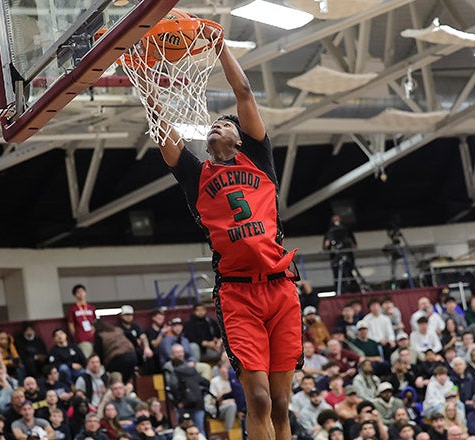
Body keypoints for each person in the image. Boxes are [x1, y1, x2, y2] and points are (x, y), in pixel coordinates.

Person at [147, 25, 303, 439]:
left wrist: (218, 46)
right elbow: (163, 130)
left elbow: (244, 93)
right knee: (259, 400)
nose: (216, 126)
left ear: (239, 136)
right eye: (212, 125)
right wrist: (146, 84)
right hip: (237, 293)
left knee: (283, 403)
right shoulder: (195, 175)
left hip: (281, 286)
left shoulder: (258, 158)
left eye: (224, 123)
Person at [92, 320, 137, 384]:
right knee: (128, 379)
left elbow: (99, 353)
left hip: (117, 358)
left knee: (115, 380)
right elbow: (131, 336)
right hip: (132, 356)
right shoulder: (118, 330)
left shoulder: (99, 336)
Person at [323, 213, 358, 293]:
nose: (336, 221)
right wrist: (328, 243)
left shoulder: (347, 231)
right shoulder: (329, 233)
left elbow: (354, 245)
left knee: (349, 273)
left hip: (348, 257)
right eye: (334, 220)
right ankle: (339, 291)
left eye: (337, 219)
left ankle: (353, 289)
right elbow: (325, 247)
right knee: (337, 276)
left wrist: (348, 242)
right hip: (335, 258)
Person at [117, 305, 153, 370]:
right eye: (126, 315)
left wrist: (147, 347)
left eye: (130, 315)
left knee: (148, 356)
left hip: (137, 351)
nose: (128, 317)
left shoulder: (136, 326)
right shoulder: (118, 328)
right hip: (125, 352)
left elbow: (143, 336)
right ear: (121, 316)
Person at [67, 284, 96, 358]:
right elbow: (71, 324)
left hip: (92, 336)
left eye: (82, 291)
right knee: (86, 356)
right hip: (81, 337)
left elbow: (94, 321)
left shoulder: (91, 307)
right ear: (75, 295)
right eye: (78, 292)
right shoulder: (73, 309)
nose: (81, 294)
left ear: (85, 293)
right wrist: (76, 336)